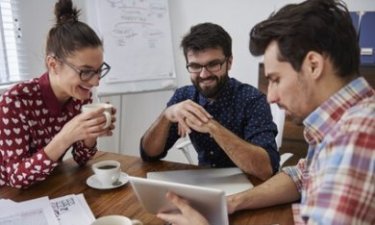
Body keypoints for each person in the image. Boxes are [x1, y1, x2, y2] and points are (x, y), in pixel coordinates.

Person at [156, 0, 375, 224]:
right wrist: (232, 203)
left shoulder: (357, 138)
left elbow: (266, 168)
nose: (271, 96)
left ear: (313, 65)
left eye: (275, 79)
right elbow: (302, 176)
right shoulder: (340, 126)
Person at [140, 22, 279, 180]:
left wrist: (211, 126)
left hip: (249, 187)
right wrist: (166, 115)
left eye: (213, 64)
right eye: (195, 66)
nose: (204, 74)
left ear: (229, 62)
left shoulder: (252, 100)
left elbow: (265, 169)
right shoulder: (184, 97)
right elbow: (149, 154)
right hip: (204, 184)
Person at [0, 0, 116, 189]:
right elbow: (16, 178)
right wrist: (65, 137)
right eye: (86, 71)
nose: (95, 82)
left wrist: (91, 132)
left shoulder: (80, 95)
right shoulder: (14, 101)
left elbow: (81, 158)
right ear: (53, 64)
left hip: (49, 182)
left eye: (98, 71)